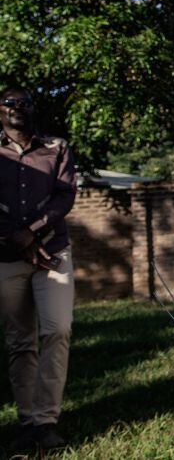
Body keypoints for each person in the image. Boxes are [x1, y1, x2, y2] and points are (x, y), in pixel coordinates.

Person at [0, 86, 76, 454]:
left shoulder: (56, 147)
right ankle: (28, 421)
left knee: (58, 330)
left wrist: (30, 233)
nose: (17, 108)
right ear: (0, 111)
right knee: (20, 342)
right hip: (6, 258)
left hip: (53, 254)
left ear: (33, 109)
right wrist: (12, 237)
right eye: (9, 103)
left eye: (24, 103)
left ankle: (47, 420)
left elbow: (66, 197)